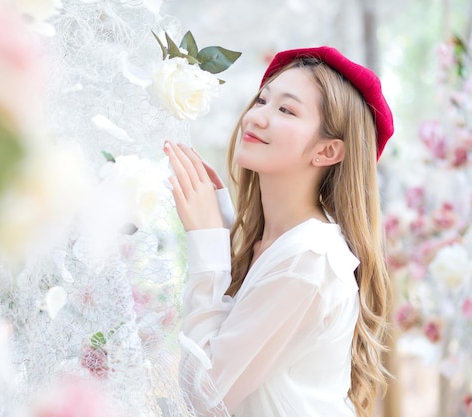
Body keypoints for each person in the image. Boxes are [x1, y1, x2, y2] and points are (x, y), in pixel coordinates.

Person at [163, 46, 394, 417]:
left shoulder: (307, 261)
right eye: (262, 100)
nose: (256, 118)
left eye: (286, 109)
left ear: (327, 150)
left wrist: (207, 244)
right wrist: (222, 230)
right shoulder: (275, 246)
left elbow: (204, 399)